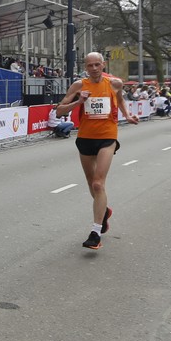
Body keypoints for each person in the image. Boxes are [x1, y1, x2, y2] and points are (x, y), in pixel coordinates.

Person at [54, 51, 138, 250]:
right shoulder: (79, 86)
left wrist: (127, 115)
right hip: (85, 137)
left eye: (97, 65)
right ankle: (104, 211)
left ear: (103, 65)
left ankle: (95, 232)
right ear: (85, 67)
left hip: (107, 137)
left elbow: (120, 100)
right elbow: (59, 111)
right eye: (89, 65)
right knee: (92, 183)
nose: (93, 68)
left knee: (99, 184)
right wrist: (78, 102)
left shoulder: (114, 83)